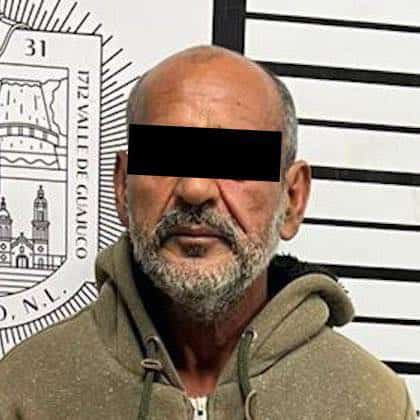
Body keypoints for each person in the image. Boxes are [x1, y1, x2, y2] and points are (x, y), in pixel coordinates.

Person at [0, 45, 416, 420]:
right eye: (166, 156)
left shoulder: (373, 402)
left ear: (292, 198)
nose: (195, 189)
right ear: (123, 187)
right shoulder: (24, 391)